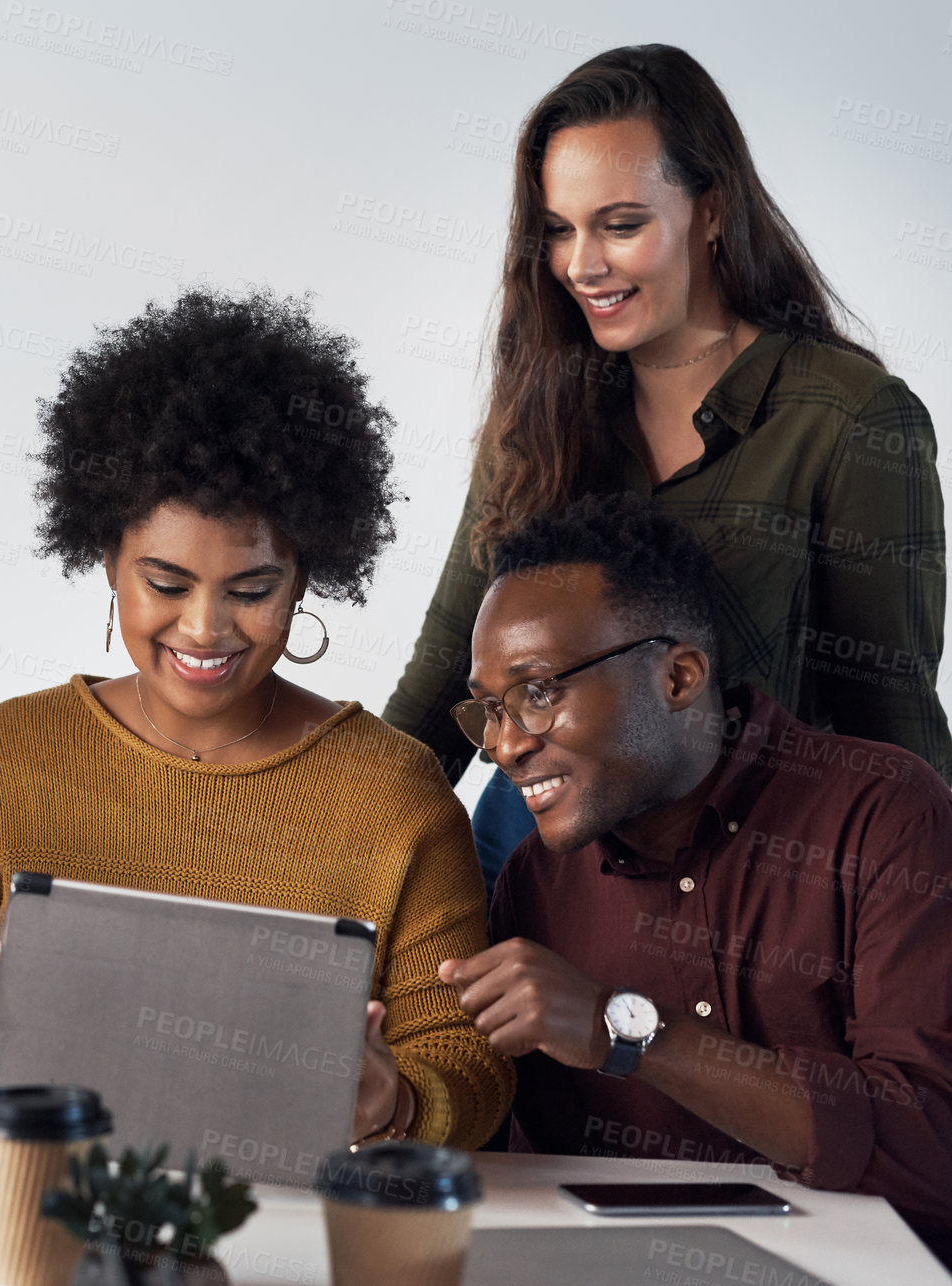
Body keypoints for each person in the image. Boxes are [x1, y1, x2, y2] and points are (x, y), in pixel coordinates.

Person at [0, 287, 514, 1150]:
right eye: (165, 585)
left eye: (252, 590)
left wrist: (396, 1103)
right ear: (107, 561)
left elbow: (468, 1066)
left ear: (306, 576)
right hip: (44, 1216)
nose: (204, 630)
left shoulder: (394, 795)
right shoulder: (10, 755)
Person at [383, 43, 950, 894]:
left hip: (756, 895)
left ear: (711, 210)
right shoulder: (537, 412)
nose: (583, 266)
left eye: (621, 225)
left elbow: (889, 727)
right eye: (558, 231)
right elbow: (438, 688)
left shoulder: (850, 421)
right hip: (538, 869)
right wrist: (329, 844)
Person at [440, 493, 952, 1263]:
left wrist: (626, 1028)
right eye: (489, 709)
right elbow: (537, 1187)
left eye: (539, 692)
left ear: (678, 678)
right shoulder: (535, 884)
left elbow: (933, 1147)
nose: (503, 746)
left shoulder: (887, 817)